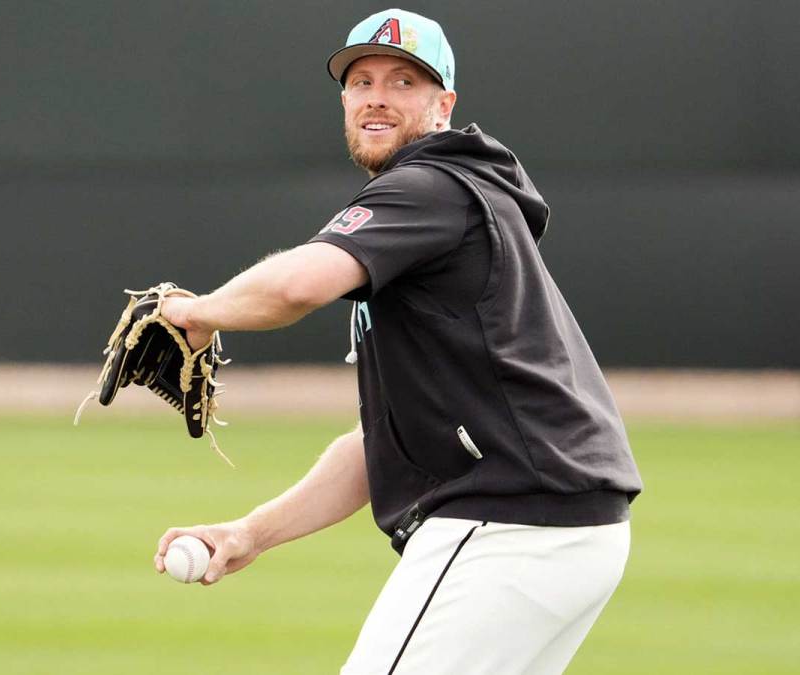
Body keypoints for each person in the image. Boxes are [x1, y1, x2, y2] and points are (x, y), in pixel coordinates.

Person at [153, 9, 642, 674]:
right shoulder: (446, 203)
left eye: (404, 81)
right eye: (362, 81)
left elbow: (299, 284)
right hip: (563, 527)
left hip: (507, 524)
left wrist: (197, 312)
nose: (377, 97)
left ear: (444, 105)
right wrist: (251, 533)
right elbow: (379, 442)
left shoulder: (428, 186)